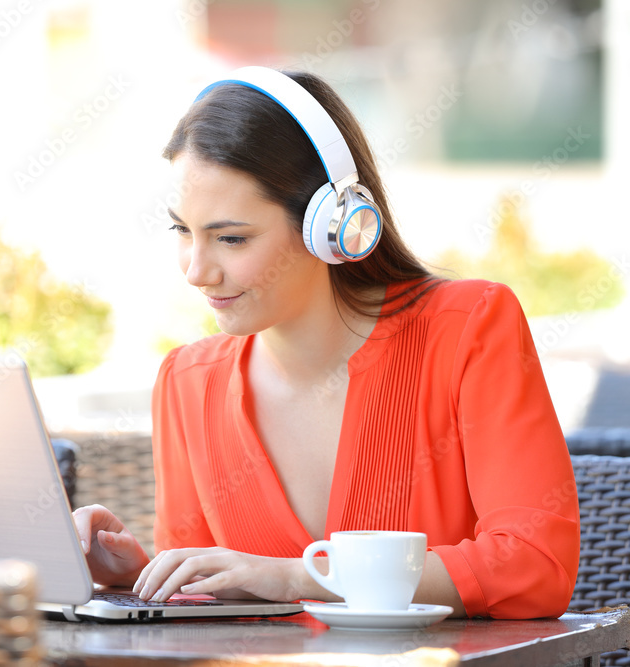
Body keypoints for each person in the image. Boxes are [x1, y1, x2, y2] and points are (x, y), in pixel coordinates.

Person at [73, 66, 579, 620]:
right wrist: (139, 579)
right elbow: (215, 606)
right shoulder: (187, 382)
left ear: (333, 224)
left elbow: (536, 565)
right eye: (182, 231)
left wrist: (298, 576)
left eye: (231, 238)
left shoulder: (469, 328)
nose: (196, 271)